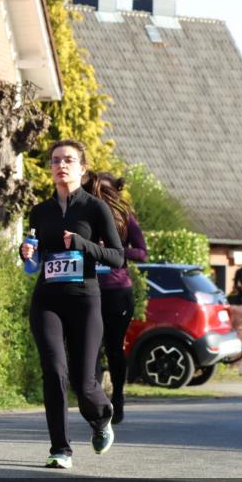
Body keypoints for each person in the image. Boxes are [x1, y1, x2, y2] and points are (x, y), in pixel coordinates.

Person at [20, 140, 124, 469]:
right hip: (48, 298)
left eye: (68, 160)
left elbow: (118, 258)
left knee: (84, 381)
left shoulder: (95, 208)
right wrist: (26, 254)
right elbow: (34, 260)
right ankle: (60, 448)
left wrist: (82, 244)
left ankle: (101, 418)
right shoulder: (40, 211)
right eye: (55, 161)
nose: (61, 166)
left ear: (82, 168)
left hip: (85, 299)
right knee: (53, 370)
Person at [86, 171, 147, 425]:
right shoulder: (86, 214)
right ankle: (96, 400)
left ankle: (118, 397)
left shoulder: (125, 218)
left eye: (106, 193)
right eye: (96, 192)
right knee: (89, 347)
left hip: (117, 291)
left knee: (113, 348)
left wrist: (115, 251)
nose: (101, 197)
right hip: (88, 289)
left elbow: (142, 253)